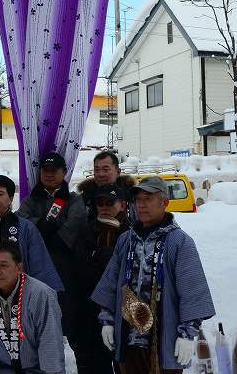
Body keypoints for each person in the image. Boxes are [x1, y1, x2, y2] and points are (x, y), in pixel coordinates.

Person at [92, 177, 215, 374]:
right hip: (128, 338)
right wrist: (107, 320)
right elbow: (110, 283)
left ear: (164, 202)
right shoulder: (126, 240)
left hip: (163, 339)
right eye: (138, 200)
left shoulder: (180, 242)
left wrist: (187, 333)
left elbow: (192, 290)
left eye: (148, 199)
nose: (141, 205)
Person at [0, 240, 66, 374]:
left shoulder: (41, 294)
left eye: (3, 265)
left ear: (19, 268)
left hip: (36, 369)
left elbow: (50, 342)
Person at [17, 152, 85, 351]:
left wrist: (53, 234)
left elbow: (75, 222)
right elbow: (20, 220)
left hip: (65, 265)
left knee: (65, 314)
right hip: (34, 266)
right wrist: (42, 224)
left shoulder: (73, 199)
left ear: (64, 172)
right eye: (45, 170)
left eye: (54, 170)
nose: (49, 174)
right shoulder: (31, 200)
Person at [71, 183, 131, 373]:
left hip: (125, 313)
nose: (104, 207)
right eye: (100, 203)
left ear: (122, 205)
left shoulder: (133, 232)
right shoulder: (87, 231)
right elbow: (79, 270)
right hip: (91, 313)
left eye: (109, 202)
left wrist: (103, 256)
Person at [78, 151, 135, 219]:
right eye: (97, 170)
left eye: (105, 169)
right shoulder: (84, 199)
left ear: (118, 172)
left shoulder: (133, 197)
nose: (101, 174)